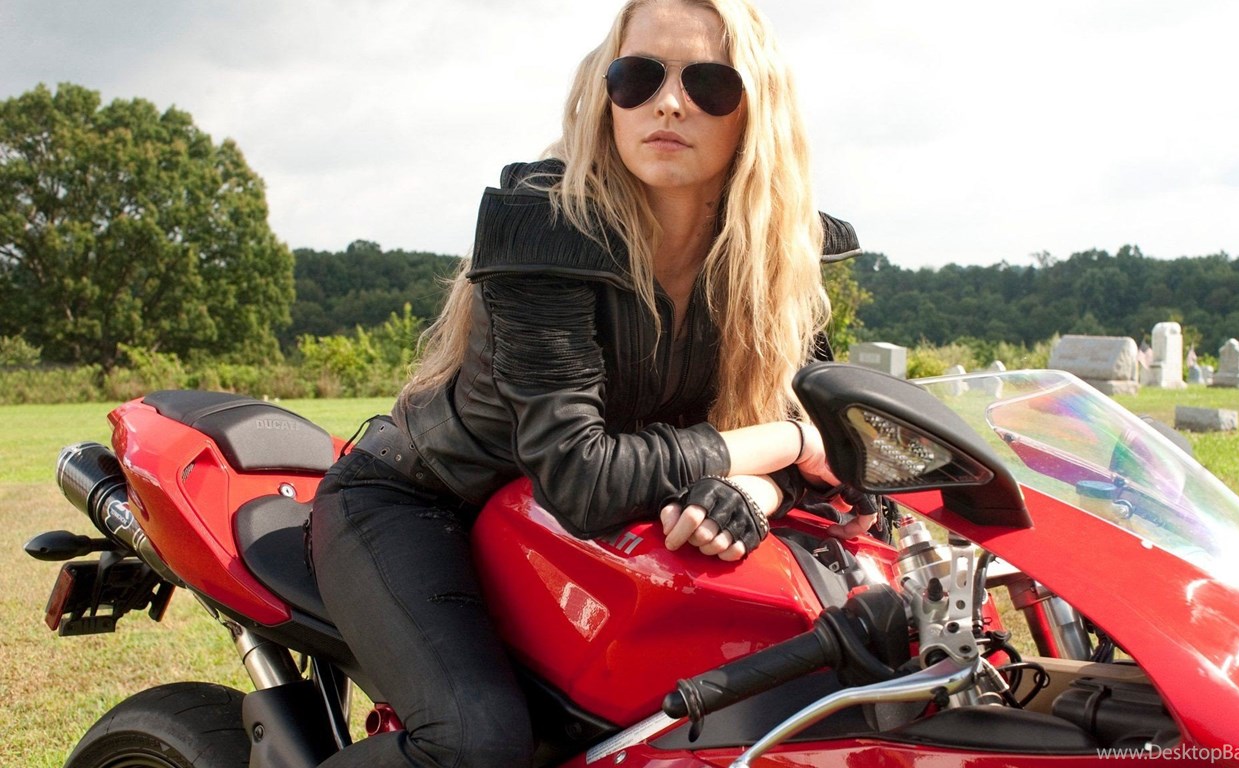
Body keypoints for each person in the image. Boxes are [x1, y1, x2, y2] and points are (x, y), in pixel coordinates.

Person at [307, 0, 871, 765]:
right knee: (477, 744)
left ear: (756, 108)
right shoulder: (546, 224)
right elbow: (581, 476)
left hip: (557, 535)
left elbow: (840, 458)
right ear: (606, 96)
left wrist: (756, 490)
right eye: (638, 77)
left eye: (708, 83)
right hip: (426, 503)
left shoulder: (778, 255)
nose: (668, 102)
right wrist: (785, 443)